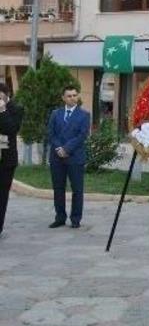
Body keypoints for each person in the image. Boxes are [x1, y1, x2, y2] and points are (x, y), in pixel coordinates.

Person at [47, 85, 91, 229]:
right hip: (57, 157)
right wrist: (59, 148)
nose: (72, 98)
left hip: (75, 157)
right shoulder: (55, 114)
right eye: (69, 96)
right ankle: (60, 217)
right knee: (58, 188)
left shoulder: (84, 115)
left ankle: (75, 219)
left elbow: (82, 135)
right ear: (63, 98)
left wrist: (66, 149)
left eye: (74, 95)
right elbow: (51, 134)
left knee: (77, 190)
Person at [0, 83, 23, 239]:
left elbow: (11, 129)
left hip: (6, 160)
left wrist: (2, 111)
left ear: (6, 95)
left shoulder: (15, 109)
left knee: (1, 195)